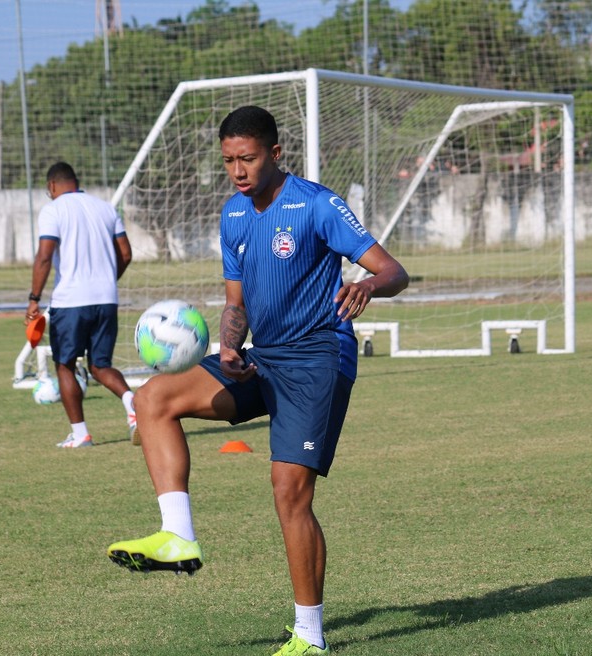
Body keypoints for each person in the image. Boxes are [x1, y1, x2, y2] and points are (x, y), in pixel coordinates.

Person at [107, 106, 409, 655]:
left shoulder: (317, 204)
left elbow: (394, 271)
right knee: (153, 399)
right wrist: (227, 345)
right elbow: (235, 303)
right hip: (261, 355)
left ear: (274, 153)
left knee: (289, 493)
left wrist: (367, 284)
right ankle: (178, 535)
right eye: (228, 161)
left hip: (318, 358)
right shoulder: (234, 215)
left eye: (247, 158)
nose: (238, 170)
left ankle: (309, 637)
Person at [25, 162, 138, 449]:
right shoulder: (105, 208)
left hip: (71, 301)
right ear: (76, 181)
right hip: (106, 299)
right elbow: (125, 253)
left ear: (52, 186)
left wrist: (34, 299)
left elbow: (44, 256)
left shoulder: (53, 210)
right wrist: (107, 281)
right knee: (100, 366)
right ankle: (132, 406)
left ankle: (81, 434)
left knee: (64, 365)